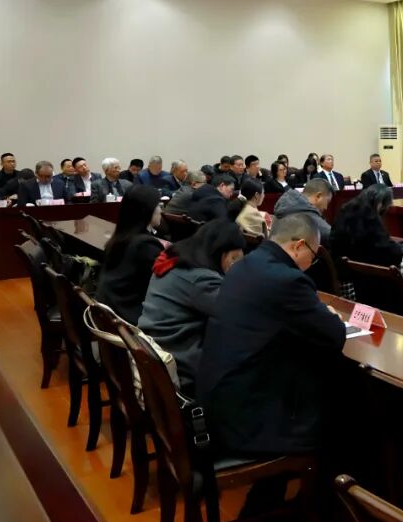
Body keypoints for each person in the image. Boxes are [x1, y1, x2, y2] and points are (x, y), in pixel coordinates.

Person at [197, 214, 346, 455]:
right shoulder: (289, 280)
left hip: (219, 400)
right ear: (298, 246)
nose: (312, 262)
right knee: (344, 405)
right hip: (248, 420)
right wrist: (330, 316)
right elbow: (335, 335)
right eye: (313, 255)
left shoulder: (244, 265)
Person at [138, 219, 245, 395]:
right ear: (220, 252)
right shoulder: (202, 279)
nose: (236, 268)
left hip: (156, 351)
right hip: (180, 364)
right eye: (234, 260)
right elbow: (239, 314)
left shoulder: (175, 259)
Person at [96, 186, 165, 324]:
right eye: (158, 205)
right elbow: (163, 287)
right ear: (146, 210)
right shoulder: (145, 245)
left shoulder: (120, 237)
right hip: (129, 319)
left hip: (110, 312)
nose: (161, 211)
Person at [330, 184, 403, 270]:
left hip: (342, 268)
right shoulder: (370, 217)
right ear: (380, 204)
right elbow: (388, 250)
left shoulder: (345, 209)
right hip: (366, 272)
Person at [274, 179, 333, 247]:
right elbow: (334, 238)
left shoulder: (286, 206)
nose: (326, 207)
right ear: (318, 196)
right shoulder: (308, 217)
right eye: (327, 202)